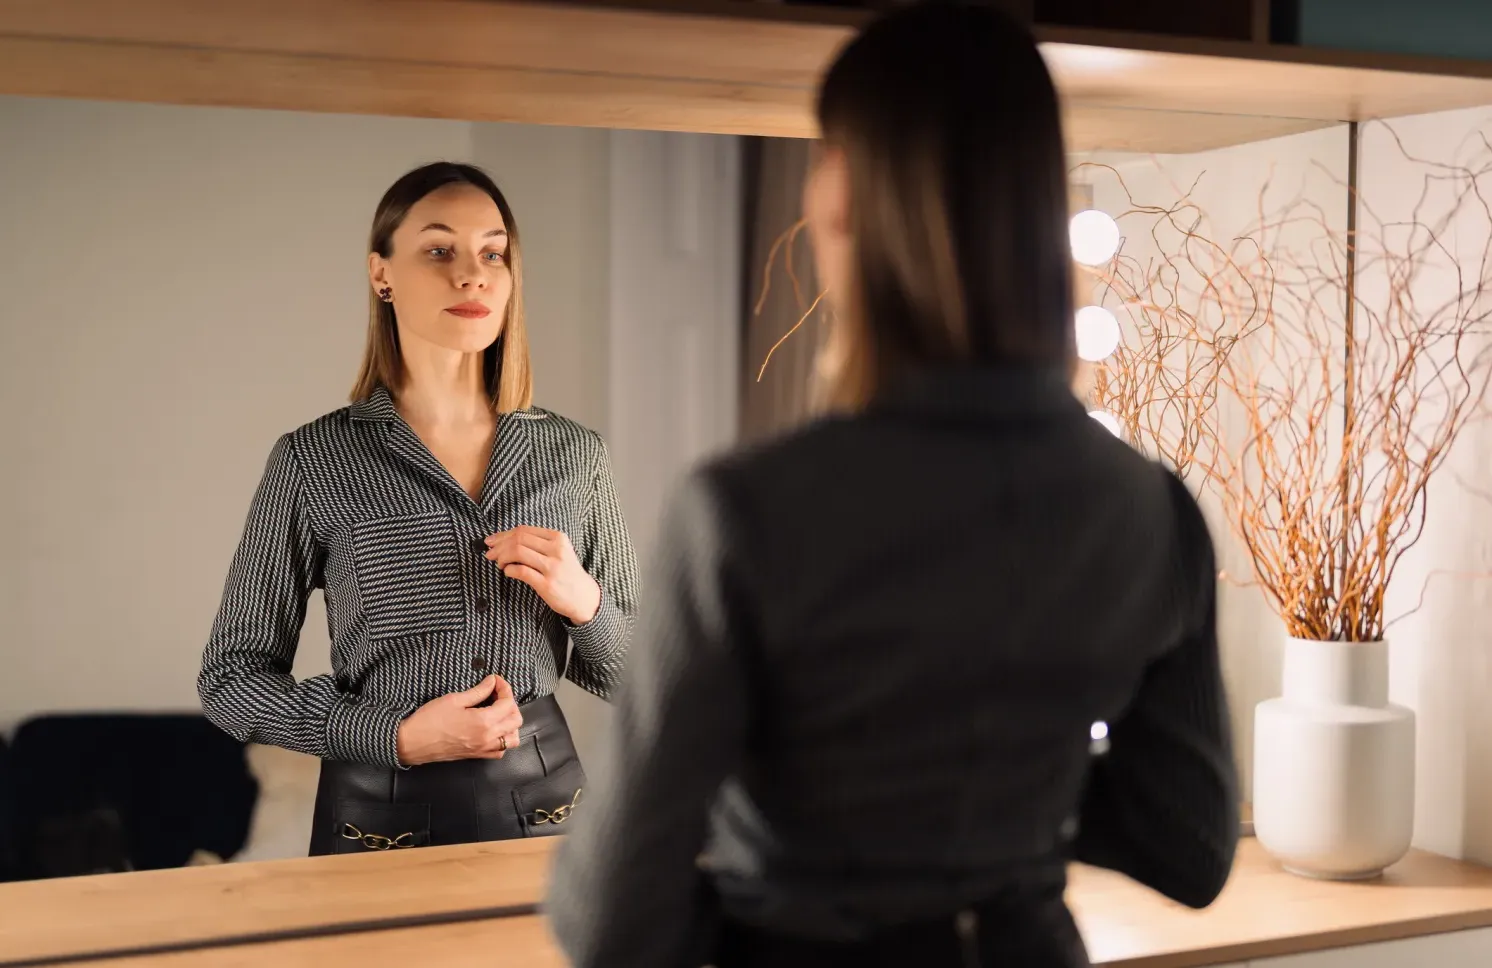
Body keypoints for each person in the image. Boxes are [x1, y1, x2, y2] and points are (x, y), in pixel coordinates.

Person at [544, 3, 1239, 966]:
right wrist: (1003, 778)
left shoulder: (745, 514)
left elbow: (610, 921)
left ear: (839, 198)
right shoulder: (1154, 512)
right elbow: (1191, 845)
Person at [198, 161, 637, 855]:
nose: (473, 275)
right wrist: (396, 736)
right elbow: (231, 682)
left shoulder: (575, 456)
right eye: (440, 250)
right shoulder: (313, 461)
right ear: (382, 274)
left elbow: (641, 680)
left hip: (553, 816)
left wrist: (584, 602)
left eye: (492, 252)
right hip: (375, 821)